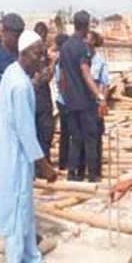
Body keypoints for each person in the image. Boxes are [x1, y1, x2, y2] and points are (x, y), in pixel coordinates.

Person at [0, 30, 58, 263]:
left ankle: (34, 262)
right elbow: (26, 131)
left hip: (16, 156)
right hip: (16, 158)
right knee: (17, 215)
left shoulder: (14, 76)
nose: (41, 59)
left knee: (25, 212)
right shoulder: (19, 84)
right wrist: (45, 165)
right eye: (37, 54)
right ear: (24, 53)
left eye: (43, 54)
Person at [59, 10, 107, 182]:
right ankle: (92, 174)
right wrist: (99, 96)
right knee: (90, 138)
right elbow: (86, 73)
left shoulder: (64, 47)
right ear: (86, 26)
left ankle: (73, 173)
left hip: (71, 102)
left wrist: (66, 96)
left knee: (75, 139)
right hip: (85, 102)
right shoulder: (82, 47)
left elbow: (62, 76)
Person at [86, 30, 110, 179]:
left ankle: (96, 170)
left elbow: (105, 83)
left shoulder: (100, 61)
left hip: (96, 102)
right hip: (84, 103)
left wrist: (103, 101)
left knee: (96, 137)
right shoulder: (82, 59)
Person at [32, 21, 55, 171]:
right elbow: (43, 78)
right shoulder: (35, 53)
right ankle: (42, 167)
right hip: (38, 98)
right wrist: (53, 64)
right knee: (42, 133)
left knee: (44, 133)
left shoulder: (42, 51)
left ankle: (43, 165)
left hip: (42, 98)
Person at [53, 34, 71, 170]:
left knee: (66, 133)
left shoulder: (60, 59)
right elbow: (62, 82)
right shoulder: (61, 61)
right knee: (67, 133)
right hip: (65, 101)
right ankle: (64, 162)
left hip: (63, 100)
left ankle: (64, 161)